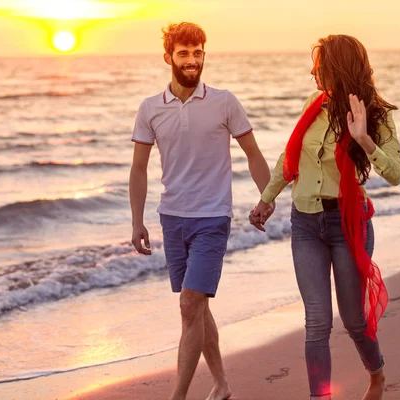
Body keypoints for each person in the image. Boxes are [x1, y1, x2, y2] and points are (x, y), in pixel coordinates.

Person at [250, 34, 400, 400]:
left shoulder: (375, 114)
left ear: (337, 70)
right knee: (316, 321)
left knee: (353, 321)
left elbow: (396, 173)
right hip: (305, 223)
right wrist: (266, 199)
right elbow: (289, 159)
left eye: (319, 68)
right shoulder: (313, 105)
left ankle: (377, 374)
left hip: (347, 225)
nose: (313, 73)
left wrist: (364, 139)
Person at [129, 22, 273, 400]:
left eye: (198, 52)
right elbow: (139, 169)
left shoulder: (224, 101)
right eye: (183, 53)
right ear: (168, 58)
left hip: (212, 217)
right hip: (172, 217)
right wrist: (137, 221)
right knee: (198, 308)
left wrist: (267, 195)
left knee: (190, 304)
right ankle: (222, 385)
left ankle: (178, 396)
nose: (192, 60)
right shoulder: (150, 109)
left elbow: (253, 153)